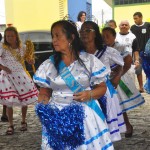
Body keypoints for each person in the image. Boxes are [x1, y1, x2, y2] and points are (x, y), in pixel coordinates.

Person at [33, 20, 114, 150]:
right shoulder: (49, 65)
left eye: (58, 35)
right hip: (57, 116)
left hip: (85, 116)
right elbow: (45, 92)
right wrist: (44, 107)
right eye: (52, 36)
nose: (54, 40)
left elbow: (102, 88)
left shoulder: (89, 61)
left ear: (71, 37)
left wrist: (89, 94)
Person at [80, 21, 126, 142]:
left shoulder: (107, 51)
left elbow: (120, 65)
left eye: (88, 30)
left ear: (95, 34)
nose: (84, 33)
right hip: (85, 93)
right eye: (82, 31)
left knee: (105, 126)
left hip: (104, 93)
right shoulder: (78, 53)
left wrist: (116, 77)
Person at [102, 26, 145, 138]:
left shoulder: (120, 47)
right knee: (108, 105)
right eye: (103, 36)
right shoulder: (100, 49)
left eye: (108, 36)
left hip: (119, 80)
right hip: (106, 80)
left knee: (120, 105)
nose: (105, 38)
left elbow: (128, 60)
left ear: (114, 36)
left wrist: (118, 75)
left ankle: (127, 125)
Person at [0, 26, 38, 135]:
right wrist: (4, 68)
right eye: (7, 36)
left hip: (21, 75)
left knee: (24, 100)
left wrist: (31, 61)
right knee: (9, 101)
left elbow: (28, 59)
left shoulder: (23, 47)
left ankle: (23, 121)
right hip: (7, 76)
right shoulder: (2, 47)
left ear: (16, 36)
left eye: (11, 35)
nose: (9, 38)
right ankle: (10, 124)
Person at [131, 12, 150, 92]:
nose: (135, 20)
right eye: (134, 19)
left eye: (136, 18)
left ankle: (148, 86)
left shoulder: (148, 25)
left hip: (147, 52)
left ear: (141, 17)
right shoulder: (132, 28)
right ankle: (141, 87)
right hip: (137, 52)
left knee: (148, 70)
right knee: (138, 70)